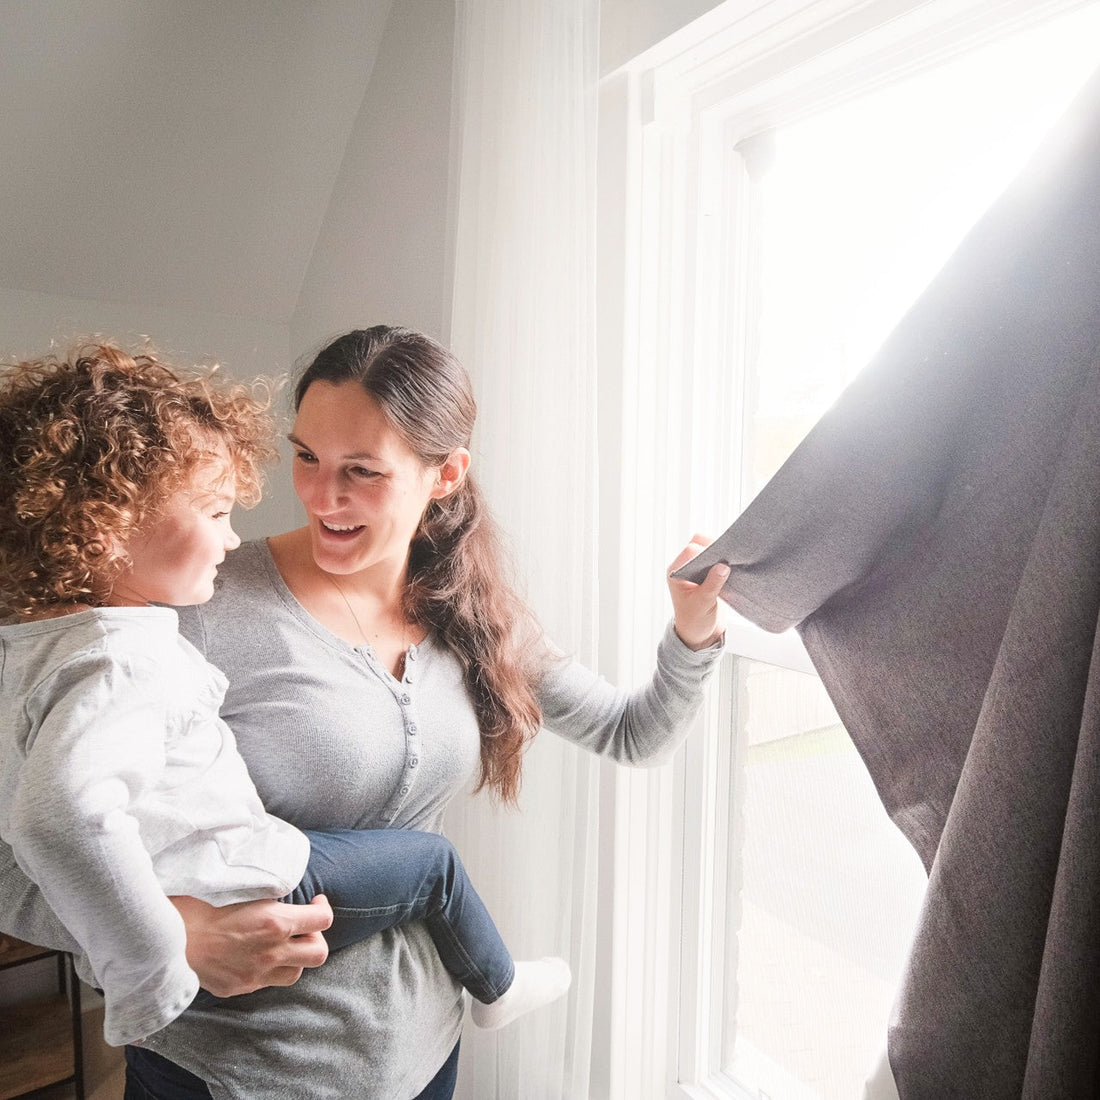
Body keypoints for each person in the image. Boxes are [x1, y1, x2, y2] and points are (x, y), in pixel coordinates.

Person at [0, 326, 728, 1100]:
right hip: (230, 1073)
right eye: (306, 456)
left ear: (444, 474)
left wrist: (694, 630)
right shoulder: (179, 602)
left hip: (422, 1055)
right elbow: (25, 847)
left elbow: (635, 735)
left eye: (361, 471)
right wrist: (178, 934)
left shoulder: (478, 613)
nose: (319, 495)